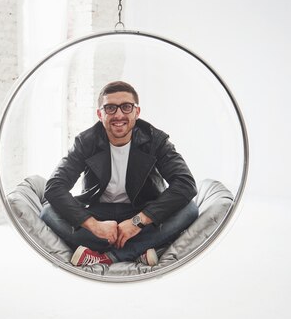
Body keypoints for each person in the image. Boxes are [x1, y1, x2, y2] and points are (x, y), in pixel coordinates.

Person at [40, 81, 199, 267]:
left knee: (190, 210)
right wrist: (94, 225)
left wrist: (137, 222)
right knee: (48, 212)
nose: (118, 115)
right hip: (99, 213)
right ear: (100, 114)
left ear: (136, 112)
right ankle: (141, 250)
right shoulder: (86, 141)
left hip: (142, 211)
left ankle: (107, 257)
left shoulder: (156, 140)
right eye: (110, 108)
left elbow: (185, 184)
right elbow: (54, 187)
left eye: (126, 107)